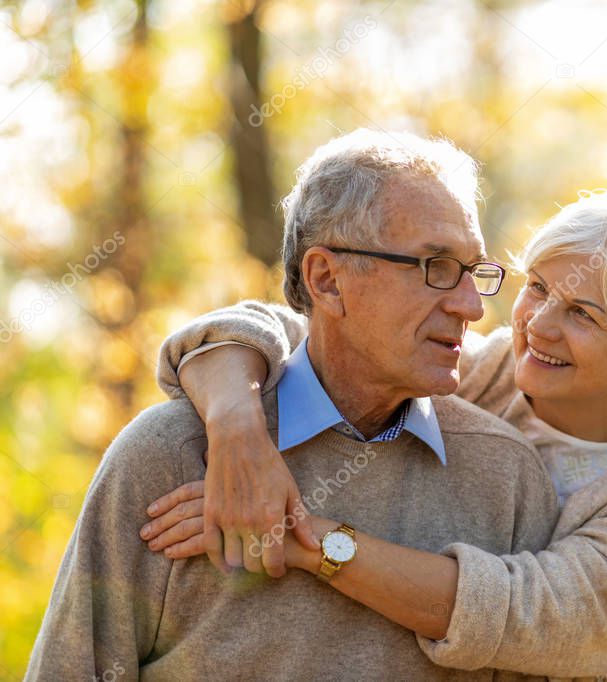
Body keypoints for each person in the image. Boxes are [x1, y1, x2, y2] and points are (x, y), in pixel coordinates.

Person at [26, 129, 561, 680]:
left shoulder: (506, 478)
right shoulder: (169, 457)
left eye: (475, 272)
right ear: (327, 281)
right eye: (436, 267)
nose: (472, 306)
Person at [143, 188, 607, 679]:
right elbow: (265, 330)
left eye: (584, 314)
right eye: (537, 288)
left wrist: (306, 540)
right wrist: (236, 430)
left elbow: (525, 615)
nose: (539, 327)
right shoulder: (491, 372)